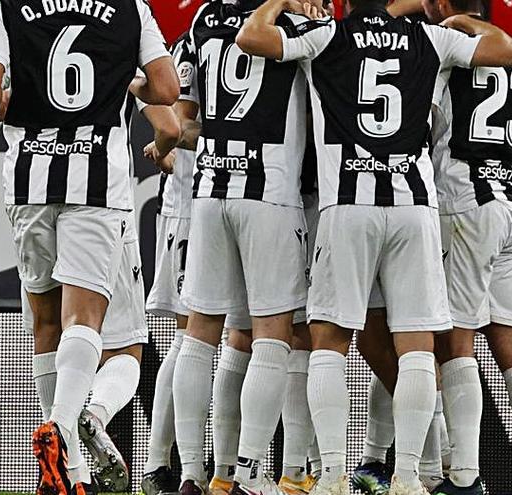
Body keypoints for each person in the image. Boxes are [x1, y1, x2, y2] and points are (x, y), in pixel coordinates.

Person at [237, 1, 512, 493]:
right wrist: (464, 20)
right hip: (414, 207)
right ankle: (410, 476)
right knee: (416, 345)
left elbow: (253, 39)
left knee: (329, 340)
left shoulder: (326, 35)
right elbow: (509, 50)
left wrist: (279, 3)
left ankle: (329, 476)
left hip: (347, 206)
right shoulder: (430, 39)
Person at [0, 1, 178, 494]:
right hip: (96, 184)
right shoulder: (130, 9)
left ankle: (67, 475)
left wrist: (12, 107)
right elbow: (168, 90)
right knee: (83, 320)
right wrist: (125, 82)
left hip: (28, 181)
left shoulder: (7, 7)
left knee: (44, 323)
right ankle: (63, 431)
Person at [171, 1, 313, 495]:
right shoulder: (302, 21)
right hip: (270, 191)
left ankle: (194, 473)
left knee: (200, 331)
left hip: (210, 187)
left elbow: (181, 115)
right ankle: (253, 473)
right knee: (274, 334)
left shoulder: (206, 16)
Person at [420, 0, 512, 493]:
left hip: (465, 202)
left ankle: (465, 475)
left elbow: (422, 124)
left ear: (447, 8)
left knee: (455, 340)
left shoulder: (453, 52)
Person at [141, 32, 197, 495]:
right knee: (189, 338)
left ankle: (232, 466)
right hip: (195, 208)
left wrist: (166, 149)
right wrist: (167, 148)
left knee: (255, 340)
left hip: (264, 205)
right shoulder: (198, 35)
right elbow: (177, 121)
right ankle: (161, 464)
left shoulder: (285, 33)